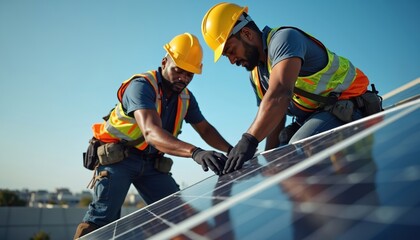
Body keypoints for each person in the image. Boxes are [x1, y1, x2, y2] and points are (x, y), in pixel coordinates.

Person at [74, 32, 232, 239]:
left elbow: (205, 129)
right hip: (119, 159)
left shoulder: (185, 97)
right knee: (102, 222)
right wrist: (196, 153)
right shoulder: (141, 86)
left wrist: (232, 150)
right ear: (164, 62)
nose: (183, 78)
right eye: (179, 71)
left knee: (177, 214)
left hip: (152, 164)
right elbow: (150, 132)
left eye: (189, 74)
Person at [201, 2, 381, 174]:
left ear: (247, 34)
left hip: (349, 107)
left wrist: (248, 140)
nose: (232, 60)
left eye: (231, 50)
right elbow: (275, 116)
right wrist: (268, 161)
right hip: (317, 117)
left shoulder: (284, 39)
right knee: (280, 156)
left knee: (301, 145)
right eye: (227, 56)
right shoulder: (256, 75)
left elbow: (280, 94)